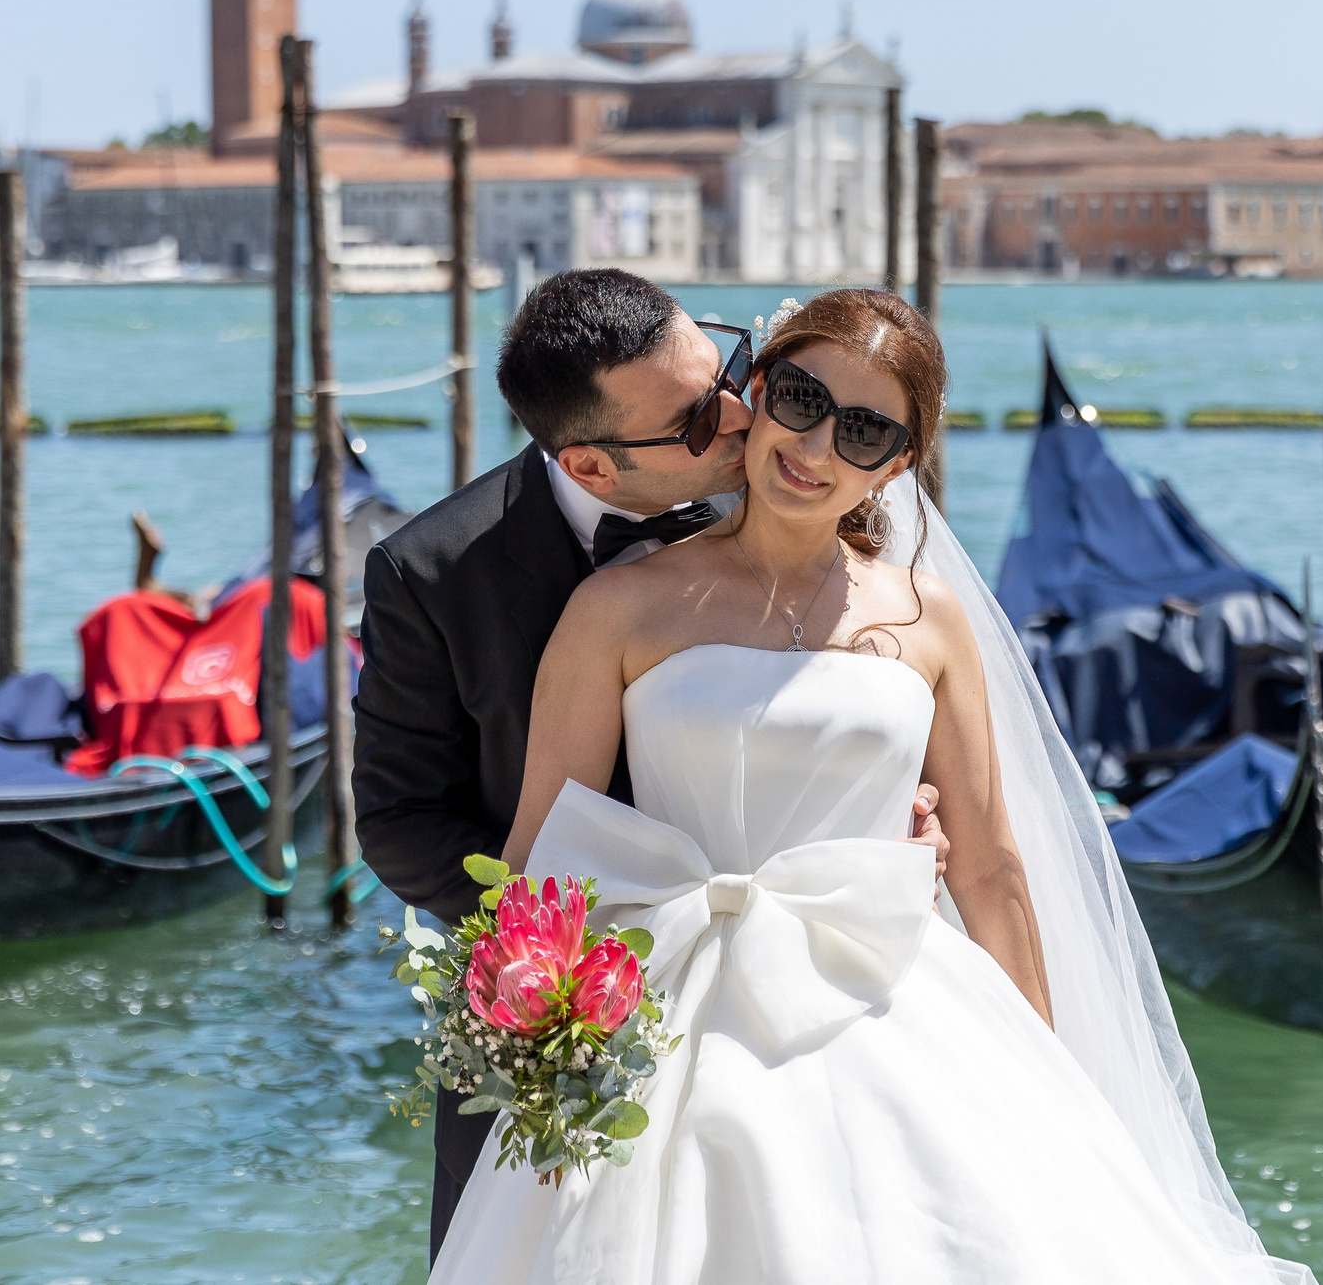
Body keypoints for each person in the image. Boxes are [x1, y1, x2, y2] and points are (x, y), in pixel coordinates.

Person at [430, 289, 1310, 1285]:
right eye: (801, 399)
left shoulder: (930, 620)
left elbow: (988, 866)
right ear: (754, 393)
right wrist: (531, 1063)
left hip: (894, 997)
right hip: (667, 1018)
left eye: (864, 431)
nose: (815, 447)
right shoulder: (615, 607)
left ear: (896, 462)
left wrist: (1046, 1076)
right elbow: (539, 859)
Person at [352, 268, 948, 1261]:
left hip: (819, 997)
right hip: (570, 1012)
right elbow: (401, 823)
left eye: (727, 371)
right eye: (695, 419)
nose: (741, 415)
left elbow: (877, 704)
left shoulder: (795, 485)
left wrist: (898, 809)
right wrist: (583, 947)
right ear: (591, 467)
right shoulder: (428, 574)